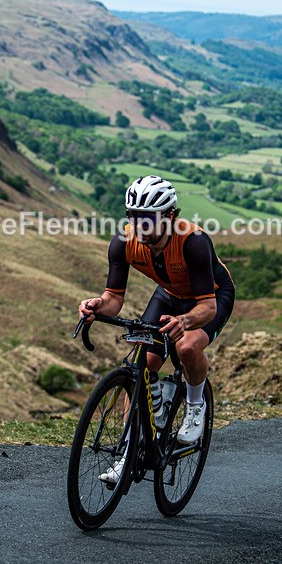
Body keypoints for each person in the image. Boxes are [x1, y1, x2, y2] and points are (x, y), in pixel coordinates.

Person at [79, 174, 235, 484]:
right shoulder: (123, 242)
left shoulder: (193, 241)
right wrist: (98, 305)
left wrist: (185, 322)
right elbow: (114, 298)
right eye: (134, 217)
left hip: (212, 297)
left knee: (186, 346)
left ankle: (195, 406)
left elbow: (208, 308)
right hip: (169, 295)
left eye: (148, 219)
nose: (140, 226)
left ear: (171, 216)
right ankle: (127, 454)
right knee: (141, 364)